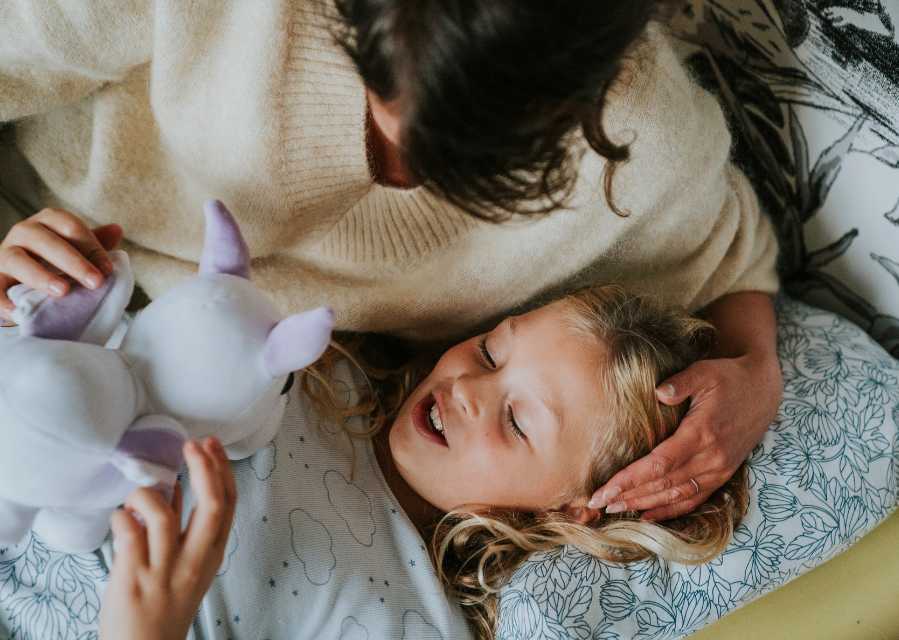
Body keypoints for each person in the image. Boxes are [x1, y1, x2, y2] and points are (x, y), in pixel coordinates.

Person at [0, 0, 782, 522]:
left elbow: (722, 259)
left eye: (486, 155)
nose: (407, 168)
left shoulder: (638, 141)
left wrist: (756, 376)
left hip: (244, 422)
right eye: (385, 90)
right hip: (44, 311)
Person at [96, 284, 749, 639]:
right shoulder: (311, 371)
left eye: (519, 421)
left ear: (574, 506)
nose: (467, 390)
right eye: (492, 353)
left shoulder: (414, 623)